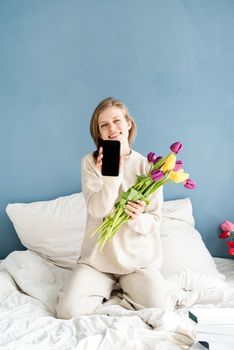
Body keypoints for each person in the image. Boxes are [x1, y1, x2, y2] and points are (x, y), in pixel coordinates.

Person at [56, 97, 172, 319]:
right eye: (104, 125)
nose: (112, 128)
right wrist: (111, 177)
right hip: (97, 262)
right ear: (98, 133)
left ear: (129, 123)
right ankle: (109, 288)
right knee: (67, 312)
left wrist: (138, 218)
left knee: (161, 309)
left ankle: (125, 289)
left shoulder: (149, 168)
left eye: (117, 121)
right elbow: (98, 211)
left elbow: (155, 221)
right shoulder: (90, 163)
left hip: (137, 264)